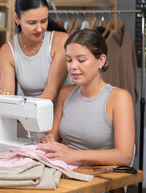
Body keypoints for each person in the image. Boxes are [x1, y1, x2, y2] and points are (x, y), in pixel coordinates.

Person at [38, 29, 135, 166]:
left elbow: (124, 156)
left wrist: (75, 155)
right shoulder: (66, 94)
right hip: (64, 172)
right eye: (69, 60)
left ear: (101, 61)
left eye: (81, 60)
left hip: (98, 179)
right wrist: (47, 141)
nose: (73, 67)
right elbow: (51, 138)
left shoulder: (119, 98)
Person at [0, 0, 71, 101]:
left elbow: (50, 93)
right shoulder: (8, 51)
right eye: (32, 23)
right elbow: (8, 95)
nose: (39, 28)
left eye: (43, 21)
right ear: (17, 19)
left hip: (63, 110)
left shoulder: (60, 41)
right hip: (31, 113)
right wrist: (3, 98)